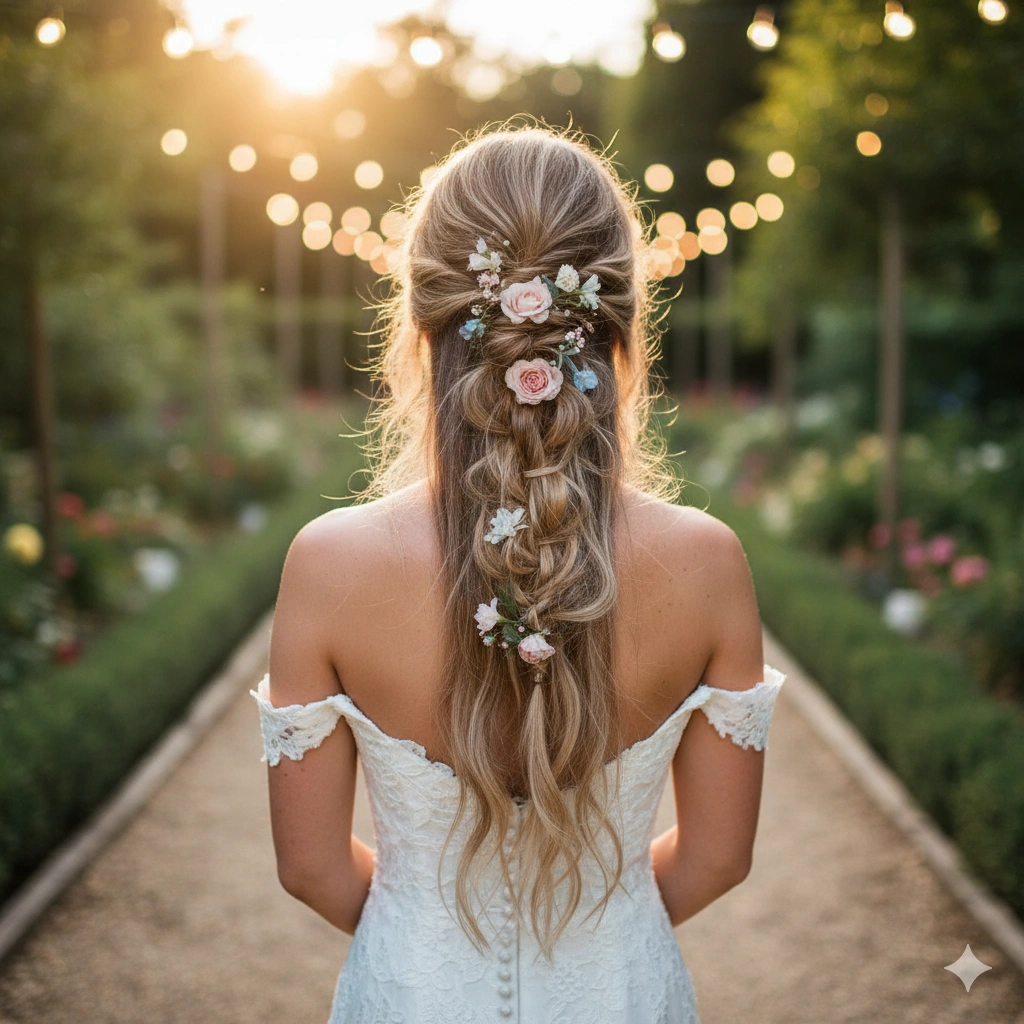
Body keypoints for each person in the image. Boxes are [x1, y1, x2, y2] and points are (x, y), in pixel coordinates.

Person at [251, 122, 786, 1024]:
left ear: (422, 327)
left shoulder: (327, 563)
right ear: (621, 328)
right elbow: (717, 859)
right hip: (622, 996)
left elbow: (310, 868)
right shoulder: (706, 561)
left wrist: (423, 932)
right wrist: (606, 928)